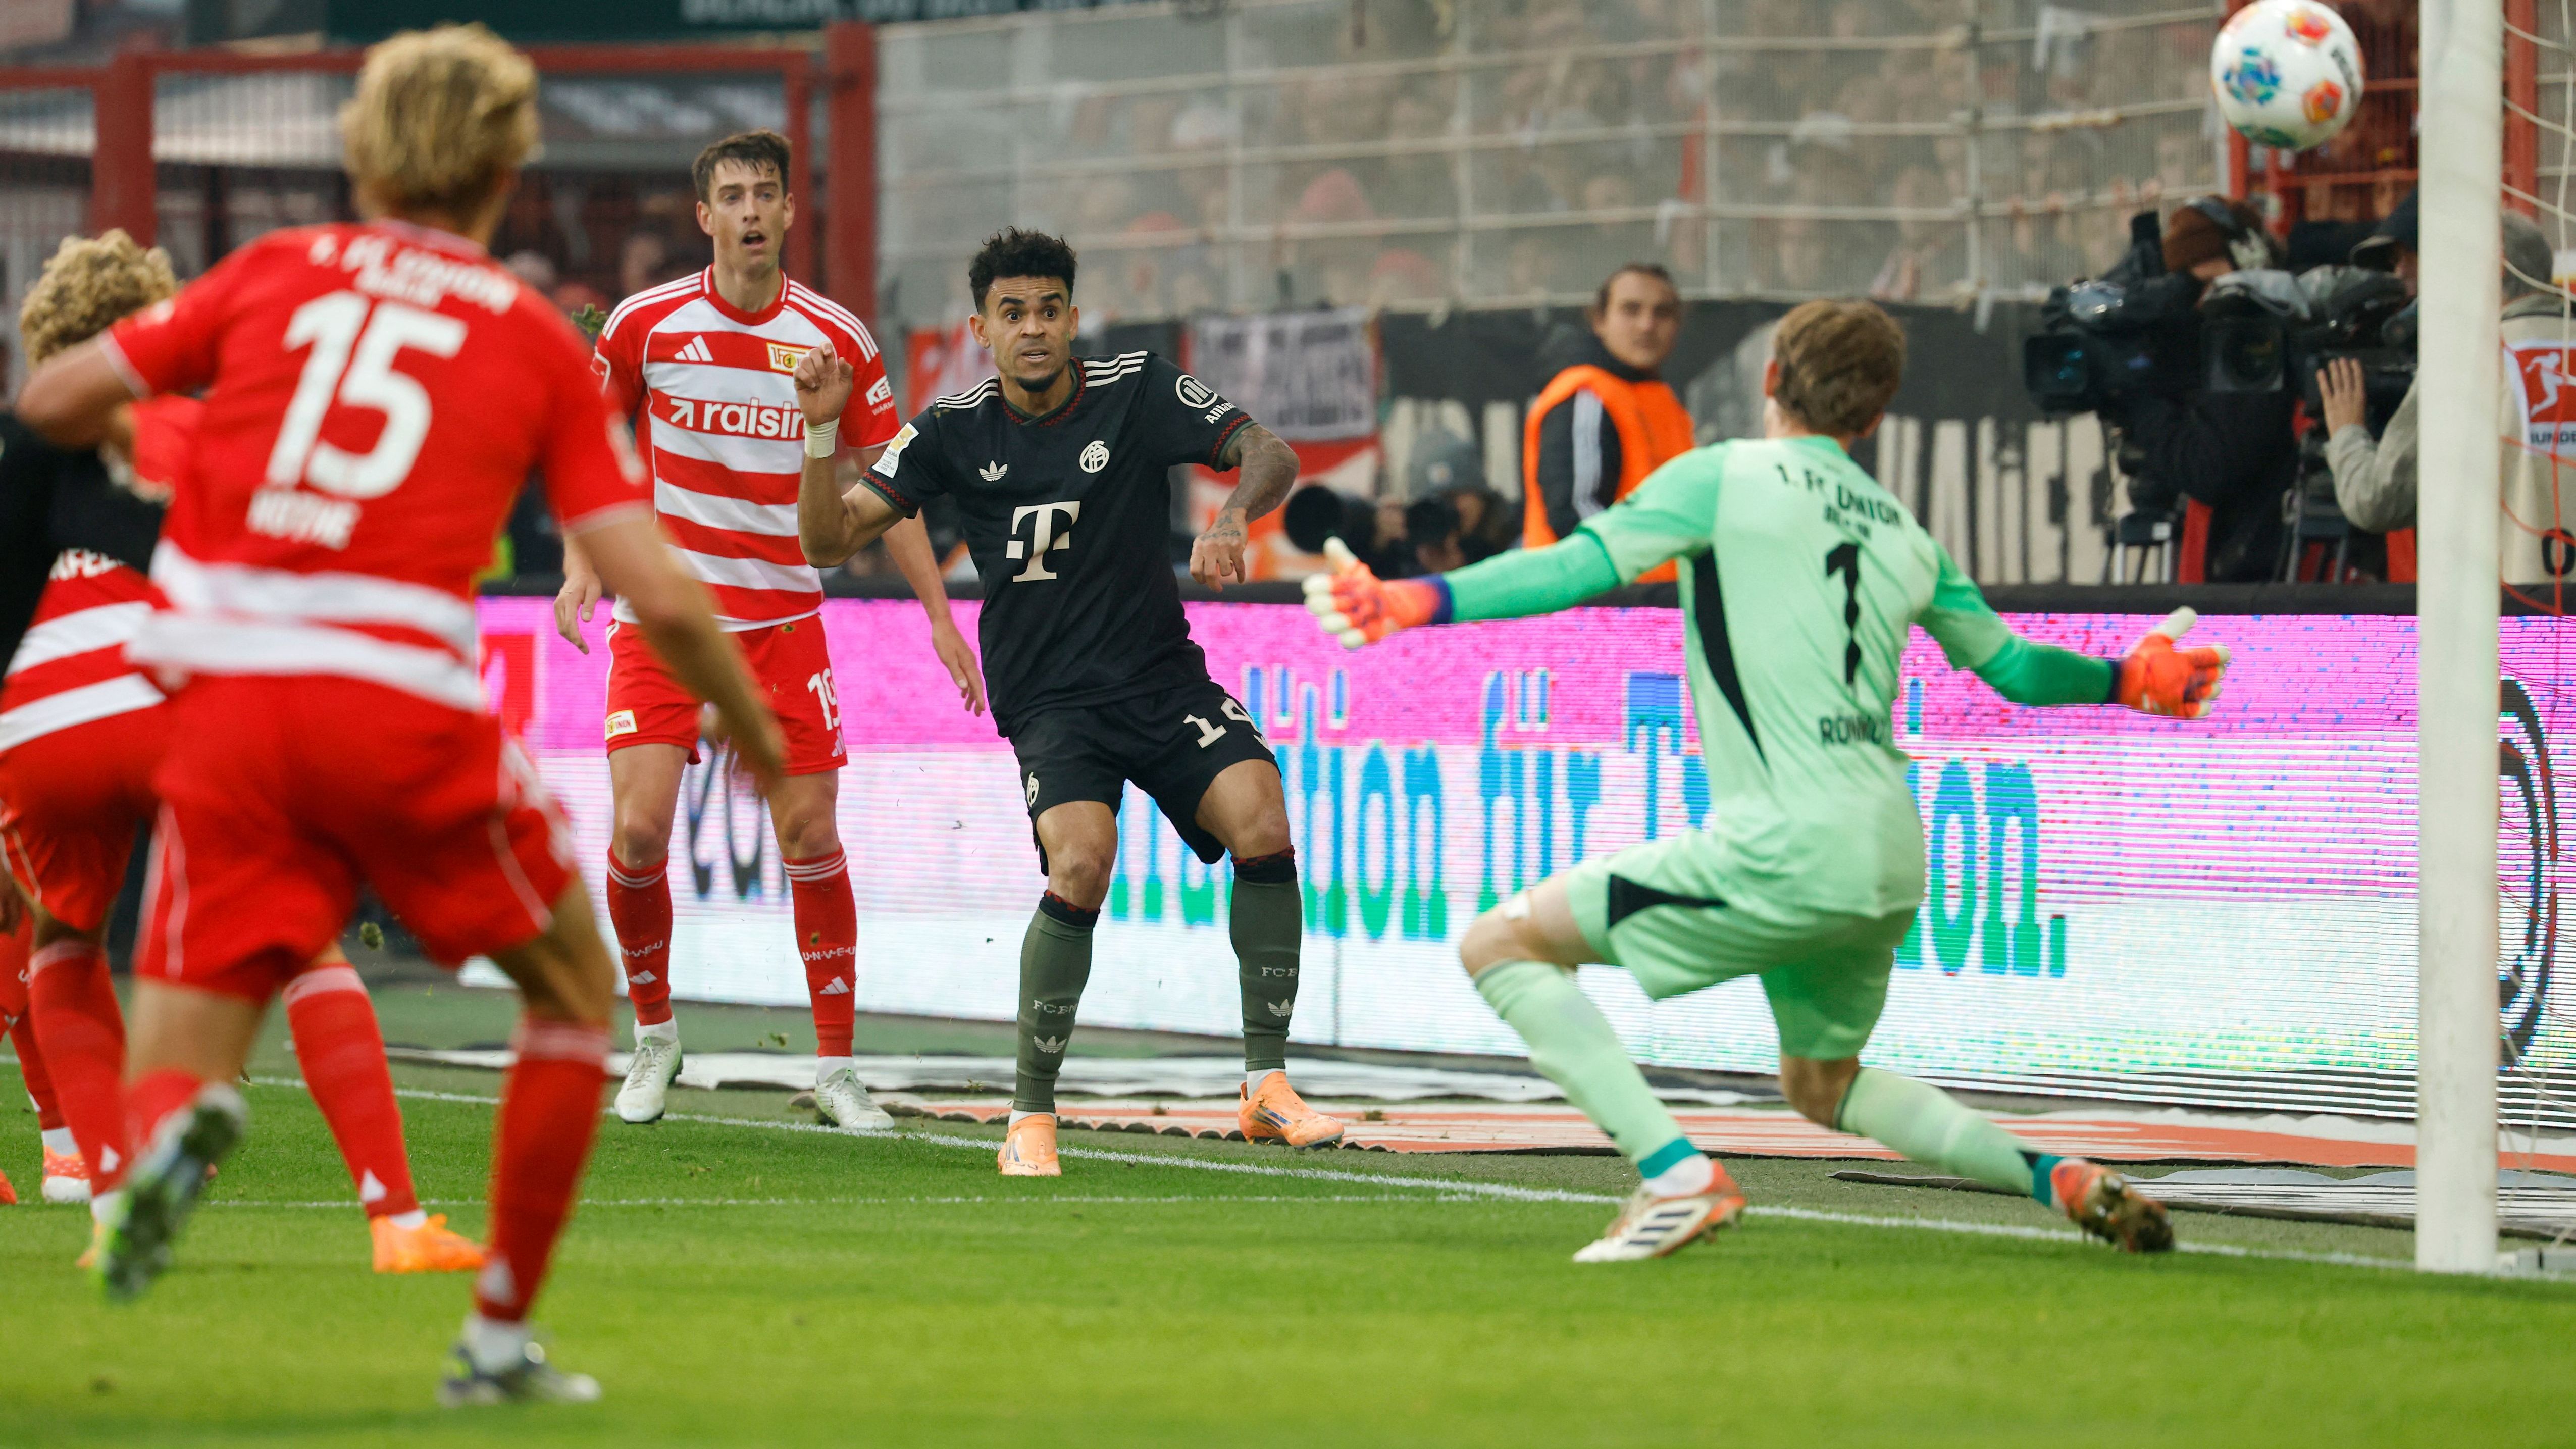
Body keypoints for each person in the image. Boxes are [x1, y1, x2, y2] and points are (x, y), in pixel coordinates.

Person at [15, 24, 784, 1403]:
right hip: (394, 699)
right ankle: (493, 1340)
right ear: (506, 167)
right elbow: (654, 581)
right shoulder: (530, 333)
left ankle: (164, 1136)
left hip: (225, 704)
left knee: (169, 1005)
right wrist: (756, 721)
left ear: (362, 151)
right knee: (569, 990)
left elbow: (57, 395)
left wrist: (148, 417)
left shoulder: (266, 272)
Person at [1306, 299, 2226, 1261]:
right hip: (1885, 854)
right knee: (1822, 1083)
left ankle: (1677, 1179)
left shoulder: (1721, 478)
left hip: (1787, 840)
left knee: (1503, 947)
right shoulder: (1905, 532)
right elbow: (2017, 671)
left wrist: (1419, 595)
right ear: (1873, 418)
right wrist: (2124, 678)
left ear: (1770, 379)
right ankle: (2054, 1177)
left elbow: (1577, 567)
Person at [797, 227, 1343, 1176]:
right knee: (1083, 862)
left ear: (1074, 319)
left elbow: (1267, 448)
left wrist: (1231, 511)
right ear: (982, 329)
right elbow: (828, 540)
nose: (1034, 329)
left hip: (1160, 679)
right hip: (1052, 700)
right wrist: (816, 435)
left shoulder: (1134, 387)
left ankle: (1265, 1083)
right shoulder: (950, 430)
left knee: (1262, 813)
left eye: (1050, 309)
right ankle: (1030, 1115)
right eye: (1013, 314)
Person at [0, 229, 484, 1275]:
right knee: (301, 938)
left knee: (64, 941)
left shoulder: (29, 448)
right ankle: (396, 1219)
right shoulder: (216, 421)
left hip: (41, 714)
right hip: (185, 686)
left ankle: (111, 1200)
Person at [555, 129, 983, 1132]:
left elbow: (891, 485)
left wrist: (936, 613)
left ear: (791, 213)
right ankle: (655, 1033)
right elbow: (586, 443)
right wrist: (584, 560)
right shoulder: (646, 325)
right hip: (665, 618)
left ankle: (835, 1068)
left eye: (767, 195)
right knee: (635, 832)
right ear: (705, 216)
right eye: (733, 195)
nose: (751, 211)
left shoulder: (834, 340)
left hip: (786, 623)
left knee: (811, 833)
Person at [2324, 211, 2566, 584]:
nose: (2405, 277)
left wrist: (2346, 434)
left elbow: (2376, 501)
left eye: (2433, 265)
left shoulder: (2464, 360)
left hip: (2504, 618)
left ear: (2491, 268)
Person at [2107, 196, 2295, 581]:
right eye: (2190, 290)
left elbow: (2209, 470)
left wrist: (2140, 400)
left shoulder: (2253, 340)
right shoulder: (2192, 346)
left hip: (2260, 576)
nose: (2206, 305)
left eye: (2214, 286)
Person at [1525, 263, 1693, 583]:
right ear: (1599, 320)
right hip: (1598, 613)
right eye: (1631, 310)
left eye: (1662, 313)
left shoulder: (1659, 398)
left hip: (1650, 603)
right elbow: (1577, 519)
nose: (1647, 325)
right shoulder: (1587, 393)